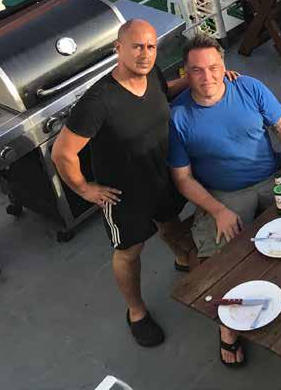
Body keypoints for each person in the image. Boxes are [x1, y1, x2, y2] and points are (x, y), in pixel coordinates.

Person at [52, 19, 197, 348]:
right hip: (123, 195)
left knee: (171, 223)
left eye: (151, 47)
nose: (145, 54)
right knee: (129, 252)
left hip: (159, 175)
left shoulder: (153, 74)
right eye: (137, 47)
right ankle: (136, 311)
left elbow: (165, 92)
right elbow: (62, 153)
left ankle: (183, 259)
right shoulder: (97, 102)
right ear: (118, 48)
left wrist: (198, 77)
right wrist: (85, 189)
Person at [168, 33, 281, 367]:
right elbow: (182, 178)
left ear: (224, 65)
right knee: (216, 260)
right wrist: (217, 211)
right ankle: (228, 328)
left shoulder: (249, 87)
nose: (207, 77)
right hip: (223, 194)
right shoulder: (178, 116)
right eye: (197, 70)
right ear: (186, 73)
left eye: (214, 67)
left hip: (272, 178)